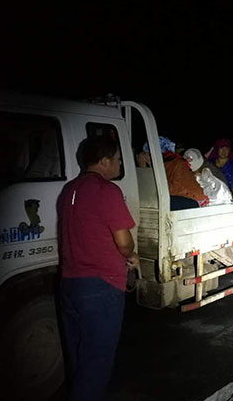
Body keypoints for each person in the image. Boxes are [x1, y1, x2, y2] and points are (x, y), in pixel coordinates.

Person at [57, 136, 139, 401]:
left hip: (69, 284)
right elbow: (124, 242)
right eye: (117, 159)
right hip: (101, 287)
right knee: (96, 361)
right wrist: (132, 255)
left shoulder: (69, 190)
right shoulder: (108, 191)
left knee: (78, 357)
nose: (119, 164)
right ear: (104, 161)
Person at [143, 137, 208, 210]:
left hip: (192, 199)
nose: (146, 156)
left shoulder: (176, 163)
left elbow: (174, 188)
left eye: (148, 154)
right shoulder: (167, 163)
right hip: (182, 197)